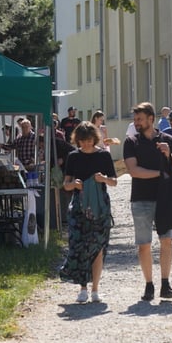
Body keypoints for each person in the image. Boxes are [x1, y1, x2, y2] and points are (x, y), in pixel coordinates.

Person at [122, 102, 172, 302]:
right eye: (135, 119)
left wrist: (168, 155)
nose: (136, 123)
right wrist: (161, 173)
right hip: (141, 198)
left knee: (167, 240)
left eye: (140, 119)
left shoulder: (168, 139)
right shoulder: (131, 142)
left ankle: (165, 283)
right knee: (144, 244)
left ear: (151, 119)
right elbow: (134, 171)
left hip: (165, 198)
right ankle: (149, 284)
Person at [59, 121, 117, 303]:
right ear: (78, 140)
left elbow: (114, 181)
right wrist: (74, 184)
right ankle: (83, 287)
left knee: (99, 247)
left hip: (100, 206)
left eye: (89, 140)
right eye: (82, 141)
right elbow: (65, 185)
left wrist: (103, 179)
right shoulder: (73, 157)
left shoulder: (104, 157)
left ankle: (95, 289)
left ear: (95, 138)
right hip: (79, 207)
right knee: (80, 246)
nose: (86, 144)